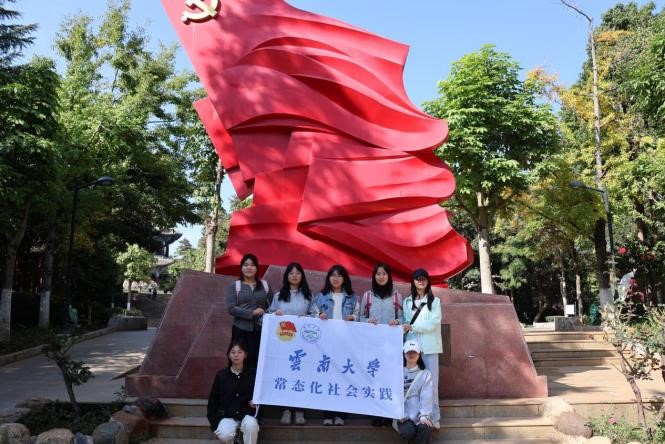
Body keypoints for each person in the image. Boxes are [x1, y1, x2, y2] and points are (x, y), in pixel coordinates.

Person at [268, 262, 317, 426]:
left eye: (297, 273)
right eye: (291, 273)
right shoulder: (278, 296)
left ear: (302, 276)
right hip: (283, 343)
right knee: (285, 375)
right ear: (286, 276)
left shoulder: (308, 296)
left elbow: (315, 315)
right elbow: (269, 315)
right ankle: (286, 410)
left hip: (303, 345)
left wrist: (307, 318)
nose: (294, 276)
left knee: (301, 375)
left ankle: (300, 410)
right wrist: (275, 314)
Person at [313, 264, 358, 426]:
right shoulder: (321, 296)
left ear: (344, 278)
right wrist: (319, 315)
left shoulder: (352, 297)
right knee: (327, 378)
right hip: (326, 344)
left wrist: (353, 317)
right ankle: (327, 414)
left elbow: (358, 315)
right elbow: (313, 313)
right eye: (333, 275)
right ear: (328, 278)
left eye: (339, 275)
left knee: (343, 378)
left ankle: (341, 415)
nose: (336, 278)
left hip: (345, 343)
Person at [359, 262, 403, 426]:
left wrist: (397, 321)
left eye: (384, 273)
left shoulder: (397, 296)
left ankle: (389, 412)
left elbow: (403, 318)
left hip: (391, 345)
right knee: (374, 377)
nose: (381, 276)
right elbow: (360, 318)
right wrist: (367, 321)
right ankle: (375, 413)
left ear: (389, 276)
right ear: (374, 276)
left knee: (389, 378)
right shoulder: (367, 296)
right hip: (372, 344)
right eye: (378, 274)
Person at [402, 268, 442, 430]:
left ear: (427, 281)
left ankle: (434, 416)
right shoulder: (407, 302)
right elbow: (405, 322)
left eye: (423, 278)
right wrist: (405, 326)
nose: (420, 281)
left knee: (432, 383)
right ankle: (415, 415)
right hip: (412, 348)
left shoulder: (435, 301)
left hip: (430, 347)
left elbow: (433, 323)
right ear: (413, 281)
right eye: (417, 278)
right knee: (413, 382)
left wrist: (412, 326)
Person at [225, 253, 272, 369]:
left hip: (261, 331)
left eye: (252, 265)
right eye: (246, 265)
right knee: (238, 361)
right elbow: (231, 308)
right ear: (241, 268)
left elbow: (272, 306)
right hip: (240, 330)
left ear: (257, 268)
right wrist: (251, 313)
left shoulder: (265, 285)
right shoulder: (234, 286)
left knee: (258, 362)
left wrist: (266, 311)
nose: (249, 268)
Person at [207, 340, 259, 444]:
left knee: (251, 425)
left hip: (247, 414)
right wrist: (214, 424)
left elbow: (260, 395)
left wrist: (256, 402)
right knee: (225, 434)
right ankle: (235, 440)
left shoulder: (253, 374)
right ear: (229, 355)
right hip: (227, 416)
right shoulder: (222, 375)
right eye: (233, 352)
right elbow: (213, 400)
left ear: (245, 355)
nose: (236, 355)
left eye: (239, 352)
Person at [394, 340, 434, 444]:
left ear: (419, 354)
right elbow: (394, 397)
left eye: (414, 352)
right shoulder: (397, 373)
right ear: (404, 354)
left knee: (425, 428)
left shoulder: (425, 374)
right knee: (408, 431)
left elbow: (427, 397)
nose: (411, 354)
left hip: (420, 416)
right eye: (408, 352)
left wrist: (424, 416)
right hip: (403, 417)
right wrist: (399, 414)